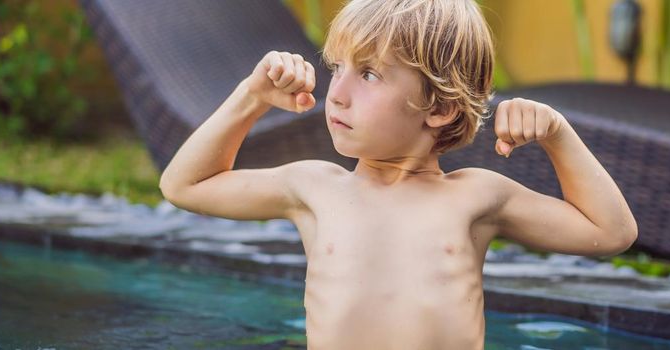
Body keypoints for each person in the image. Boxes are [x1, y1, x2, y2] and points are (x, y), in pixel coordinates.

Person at [159, 0, 638, 348]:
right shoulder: (314, 188)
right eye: (337, 68)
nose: (338, 93)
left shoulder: (476, 196)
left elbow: (611, 232)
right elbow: (183, 185)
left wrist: (557, 134)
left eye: (368, 74)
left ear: (440, 107)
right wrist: (252, 96)